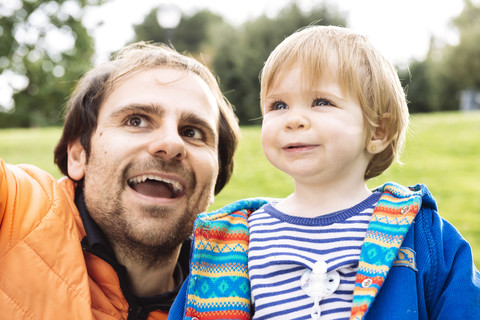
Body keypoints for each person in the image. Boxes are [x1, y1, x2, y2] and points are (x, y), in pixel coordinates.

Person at [170, 26, 480, 320]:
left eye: (321, 102)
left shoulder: (420, 232)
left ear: (377, 131)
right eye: (278, 105)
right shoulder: (231, 242)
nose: (294, 120)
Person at [0, 42, 240, 320]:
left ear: (215, 180)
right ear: (78, 155)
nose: (172, 143)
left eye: (193, 132)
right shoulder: (16, 205)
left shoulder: (242, 292)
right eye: (136, 120)